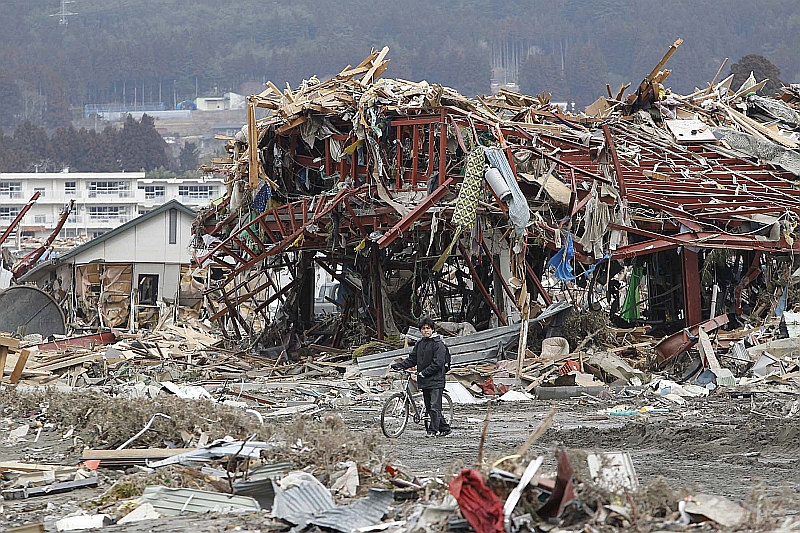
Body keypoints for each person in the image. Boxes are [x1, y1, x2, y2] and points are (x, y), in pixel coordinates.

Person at [391, 317, 452, 437]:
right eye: (423, 328)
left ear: (432, 329)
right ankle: (445, 427)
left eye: (428, 328)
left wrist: (424, 372)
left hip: (436, 380)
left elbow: (438, 363)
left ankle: (432, 430)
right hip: (424, 380)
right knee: (429, 407)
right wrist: (399, 365)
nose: (426, 330)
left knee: (435, 406)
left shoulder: (438, 344)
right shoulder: (420, 343)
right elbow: (412, 359)